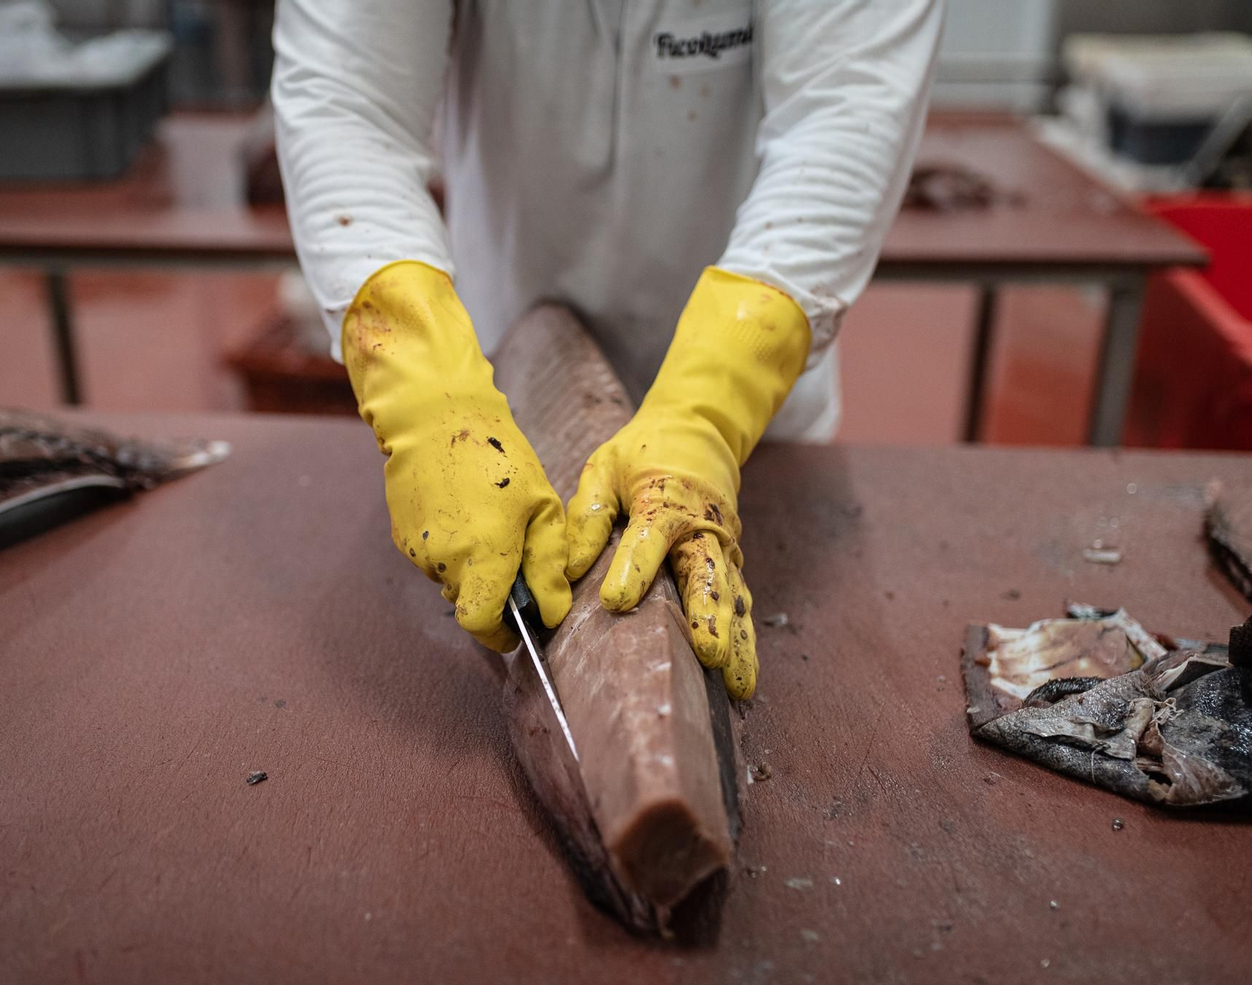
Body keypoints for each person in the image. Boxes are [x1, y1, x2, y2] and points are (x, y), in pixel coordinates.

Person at [272, 2, 941, 699]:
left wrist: (708, 409)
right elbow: (348, 105)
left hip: (753, 433)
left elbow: (845, 113)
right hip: (507, 407)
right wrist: (424, 388)